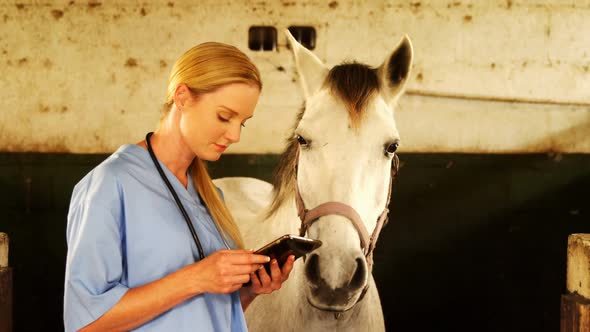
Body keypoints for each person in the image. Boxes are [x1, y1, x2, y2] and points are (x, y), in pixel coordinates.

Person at [63, 42, 294, 331]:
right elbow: (86, 324)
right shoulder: (110, 185)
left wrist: (249, 290)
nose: (234, 134)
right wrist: (196, 277)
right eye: (224, 117)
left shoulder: (212, 197)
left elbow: (209, 314)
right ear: (182, 97)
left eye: (242, 123)